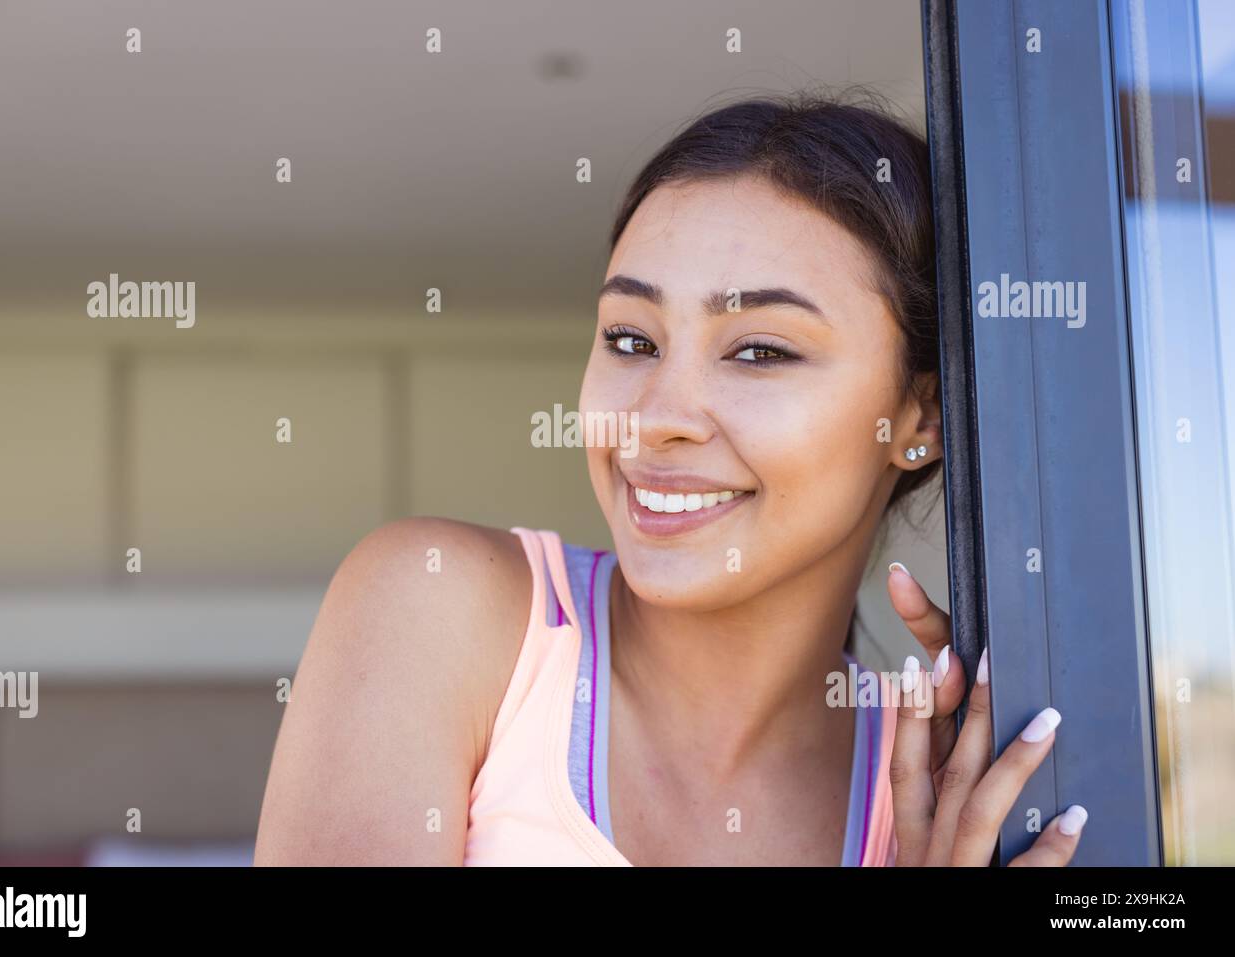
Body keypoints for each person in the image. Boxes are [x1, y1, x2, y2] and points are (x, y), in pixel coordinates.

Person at [253, 91, 1087, 866]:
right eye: (631, 340)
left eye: (760, 350)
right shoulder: (437, 607)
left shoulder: (950, 806)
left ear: (922, 417)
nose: (656, 415)